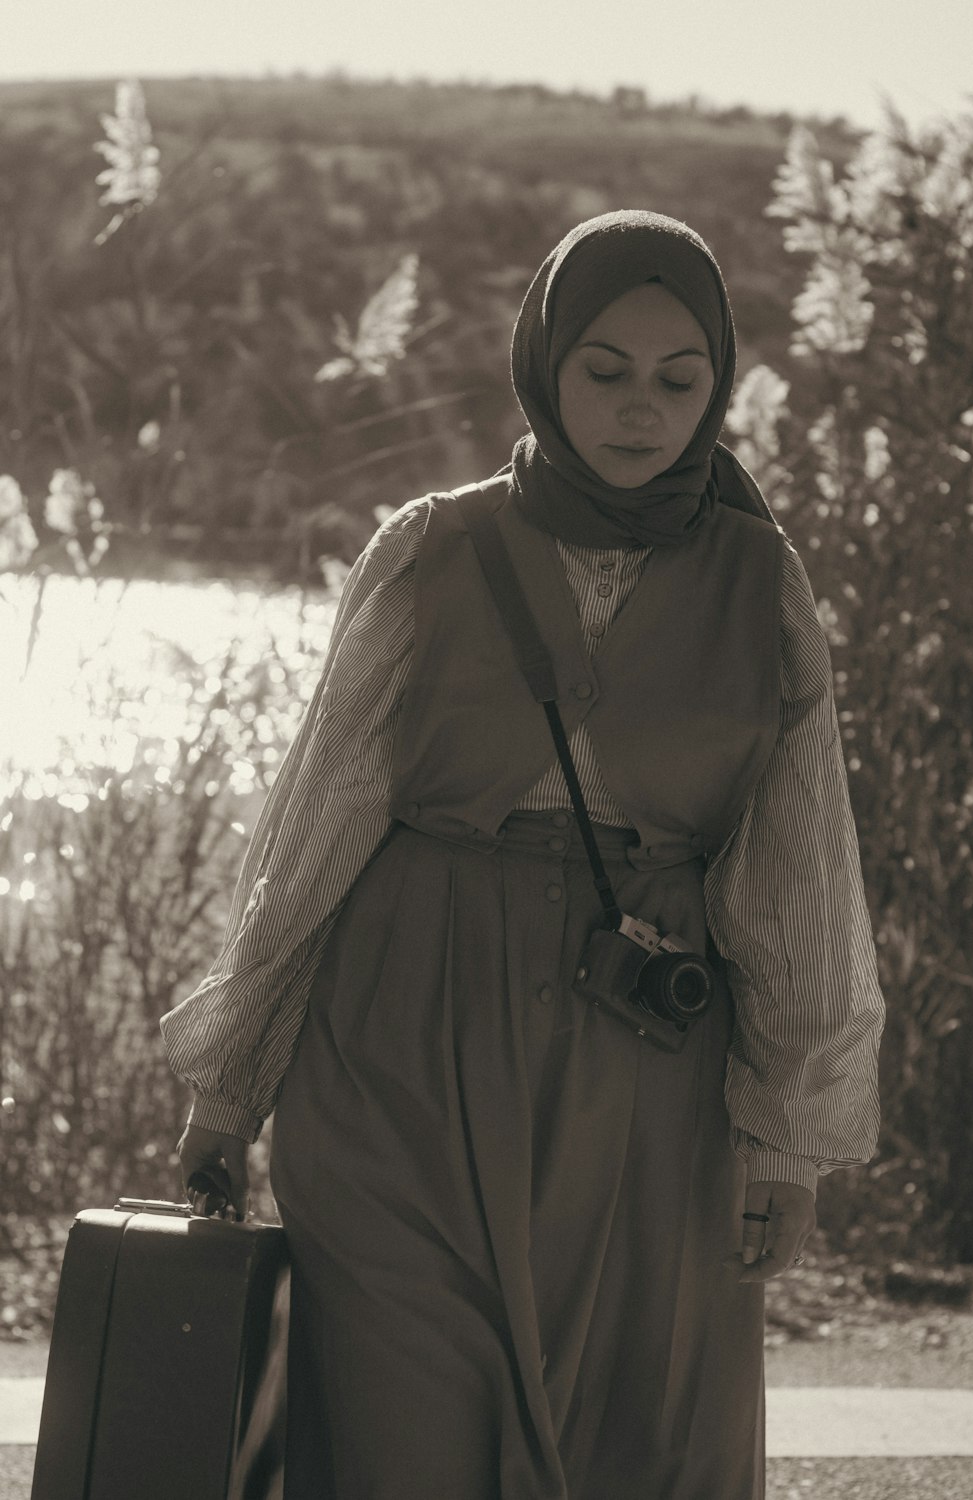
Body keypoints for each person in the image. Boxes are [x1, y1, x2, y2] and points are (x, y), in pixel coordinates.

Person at [164, 209, 885, 1499]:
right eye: (603, 369)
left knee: (636, 1432)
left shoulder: (759, 581)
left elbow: (799, 867)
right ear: (544, 364)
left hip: (648, 1083)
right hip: (400, 1051)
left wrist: (785, 1139)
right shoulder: (432, 551)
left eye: (680, 379)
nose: (638, 409)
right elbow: (316, 825)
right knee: (405, 1430)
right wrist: (232, 1081)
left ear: (720, 385)